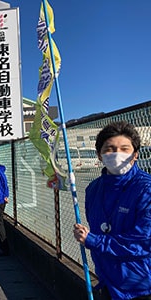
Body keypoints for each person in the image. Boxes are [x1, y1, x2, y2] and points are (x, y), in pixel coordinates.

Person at [73, 121, 151, 300]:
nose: (117, 154)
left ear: (135, 155)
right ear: (99, 155)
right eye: (109, 149)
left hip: (140, 286)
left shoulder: (146, 188)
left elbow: (145, 242)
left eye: (125, 149)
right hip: (107, 281)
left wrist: (94, 241)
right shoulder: (93, 189)